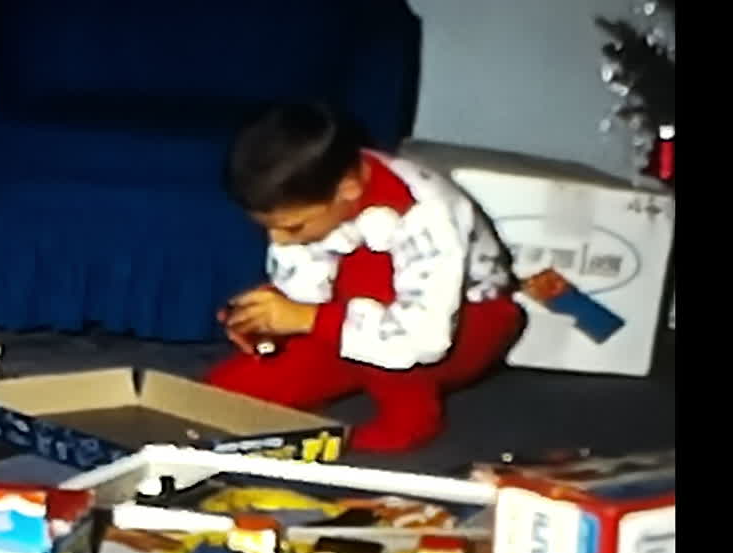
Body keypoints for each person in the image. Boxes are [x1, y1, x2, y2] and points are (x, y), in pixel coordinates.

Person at [209, 102, 525, 452]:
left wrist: (308, 318)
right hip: (352, 320)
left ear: (348, 190)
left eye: (293, 227)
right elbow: (302, 290)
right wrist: (268, 320)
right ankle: (339, 372)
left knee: (368, 272)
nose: (278, 241)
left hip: (465, 325)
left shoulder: (426, 215)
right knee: (222, 397)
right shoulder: (317, 192)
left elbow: (423, 336)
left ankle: (410, 417)